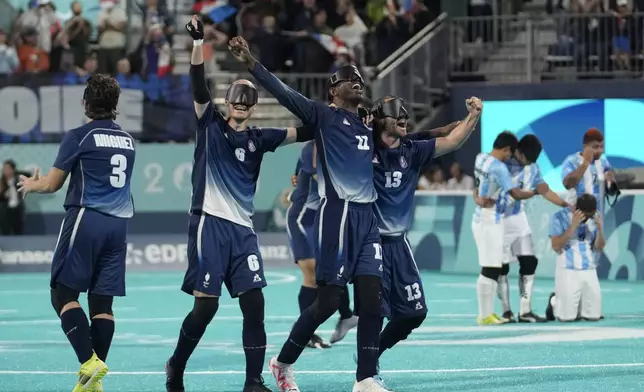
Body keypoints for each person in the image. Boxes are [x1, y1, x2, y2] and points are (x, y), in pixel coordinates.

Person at [164, 17, 314, 392]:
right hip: (209, 224)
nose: (243, 104)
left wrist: (338, 118)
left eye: (249, 99)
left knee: (255, 304)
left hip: (242, 231)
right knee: (206, 307)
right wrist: (199, 44)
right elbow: (198, 84)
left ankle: (253, 381)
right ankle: (176, 366)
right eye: (237, 98)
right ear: (227, 102)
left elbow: (309, 128)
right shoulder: (209, 123)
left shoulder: (262, 137)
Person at [228, 36, 387, 392]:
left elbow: (407, 140)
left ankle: (365, 378)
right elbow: (285, 93)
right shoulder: (322, 116)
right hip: (338, 214)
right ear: (334, 90)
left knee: (372, 301)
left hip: (368, 218)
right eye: (350, 78)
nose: (358, 81)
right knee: (329, 299)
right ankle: (282, 362)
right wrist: (252, 63)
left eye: (360, 78)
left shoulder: (367, 126)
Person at [17, 73, 133, 392]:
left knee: (62, 294)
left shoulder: (79, 136)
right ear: (114, 105)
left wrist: (31, 183)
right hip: (119, 225)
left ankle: (88, 362)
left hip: (87, 220)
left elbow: (53, 184)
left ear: (85, 103)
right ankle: (92, 381)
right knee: (102, 304)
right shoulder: (127, 140)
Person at [370, 95, 482, 388]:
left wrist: (473, 116)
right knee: (374, 313)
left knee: (415, 312)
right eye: (398, 114)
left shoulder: (412, 151)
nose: (405, 117)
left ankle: (373, 352)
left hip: (399, 244)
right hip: (369, 244)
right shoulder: (363, 149)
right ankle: (367, 373)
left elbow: (453, 142)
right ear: (382, 119)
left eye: (406, 113)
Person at [286, 142, 357, 349]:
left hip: (323, 217)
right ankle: (306, 331)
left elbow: (297, 176)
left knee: (333, 269)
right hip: (303, 216)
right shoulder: (313, 148)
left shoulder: (343, 147)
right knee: (312, 274)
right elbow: (326, 180)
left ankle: (346, 315)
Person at [494, 135, 570, 323]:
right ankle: (506, 311)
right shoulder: (502, 165)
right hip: (499, 219)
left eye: (530, 161)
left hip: (519, 218)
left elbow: (544, 190)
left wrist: (565, 204)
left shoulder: (532, 167)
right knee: (501, 267)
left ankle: (525, 310)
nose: (526, 163)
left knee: (530, 262)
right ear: (517, 151)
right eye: (524, 158)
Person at [472, 131, 537, 325]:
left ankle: (488, 313)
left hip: (481, 216)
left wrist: (477, 198)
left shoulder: (480, 157)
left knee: (493, 266)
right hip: (490, 219)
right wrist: (534, 192)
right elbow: (515, 194)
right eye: (510, 153)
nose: (510, 157)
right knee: (491, 268)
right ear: (506, 149)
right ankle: (485, 315)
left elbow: (477, 185)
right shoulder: (500, 168)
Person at [545, 194, 605, 322]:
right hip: (568, 268)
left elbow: (599, 247)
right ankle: (554, 302)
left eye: (590, 215)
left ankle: (578, 305)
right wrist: (573, 227)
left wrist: (600, 229)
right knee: (567, 318)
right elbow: (556, 246)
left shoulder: (593, 219)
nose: (587, 219)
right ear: (578, 210)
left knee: (593, 317)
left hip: (589, 268)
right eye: (586, 215)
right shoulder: (559, 217)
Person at [561, 128, 615, 212]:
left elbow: (612, 192)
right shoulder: (571, 161)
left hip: (597, 218)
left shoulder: (604, 163)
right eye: (596, 147)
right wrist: (586, 163)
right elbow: (567, 184)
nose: (600, 151)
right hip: (576, 216)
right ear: (585, 146)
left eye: (602, 146)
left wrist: (610, 181)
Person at [0, 160, 28, 235]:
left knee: (18, 231)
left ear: (13, 169)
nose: (6, 171)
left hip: (17, 210)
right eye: (4, 169)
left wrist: (17, 174)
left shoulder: (18, 180)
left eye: (8, 168)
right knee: (5, 231)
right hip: (5, 211)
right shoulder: (2, 182)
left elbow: (28, 175)